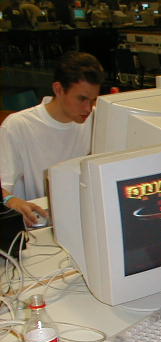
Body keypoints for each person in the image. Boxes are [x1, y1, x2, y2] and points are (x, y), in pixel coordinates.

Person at [0, 51, 104, 226]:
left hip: (84, 219)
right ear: (58, 89)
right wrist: (12, 201)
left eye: (93, 100)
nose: (88, 108)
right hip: (41, 224)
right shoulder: (18, 126)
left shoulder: (98, 119)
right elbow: (3, 187)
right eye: (82, 99)